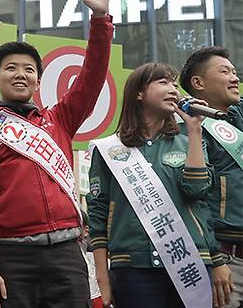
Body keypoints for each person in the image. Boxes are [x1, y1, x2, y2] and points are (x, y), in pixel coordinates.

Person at [0, 0, 113, 308]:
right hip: (10, 255)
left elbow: (92, 76)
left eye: (29, 69)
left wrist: (100, 19)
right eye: (11, 68)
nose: (20, 74)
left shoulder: (60, 117)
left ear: (38, 80)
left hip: (65, 251)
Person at [88, 62, 222, 308]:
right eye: (163, 82)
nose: (173, 89)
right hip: (132, 267)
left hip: (189, 261)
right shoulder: (108, 149)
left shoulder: (188, 141)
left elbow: (198, 190)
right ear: (139, 93)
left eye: (174, 83)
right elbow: (97, 216)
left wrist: (194, 131)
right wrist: (101, 278)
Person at [180, 47, 240, 308]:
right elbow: (194, 201)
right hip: (227, 259)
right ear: (198, 83)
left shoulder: (238, 116)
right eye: (225, 71)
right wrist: (215, 258)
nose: (235, 78)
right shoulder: (186, 129)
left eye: (235, 72)